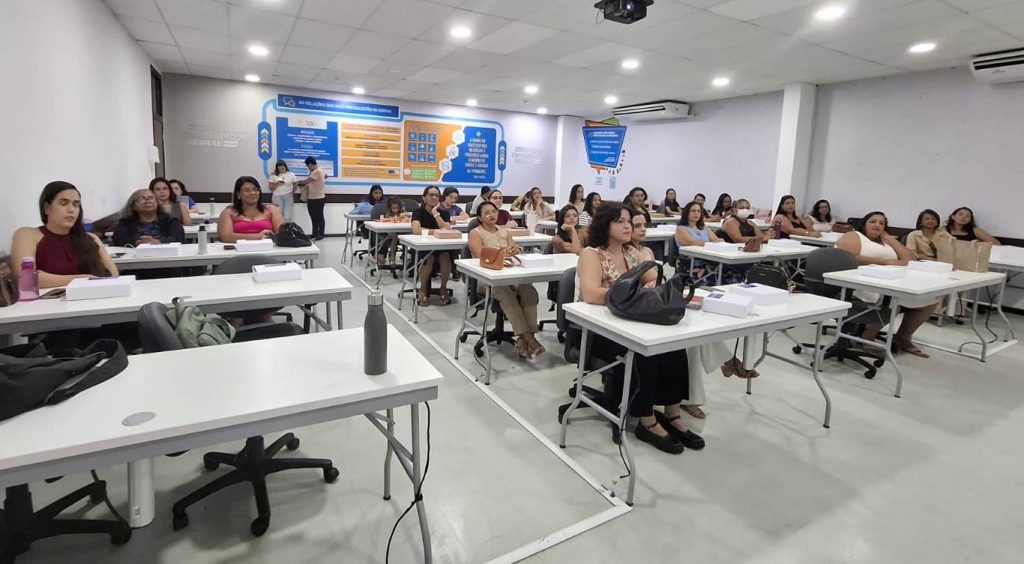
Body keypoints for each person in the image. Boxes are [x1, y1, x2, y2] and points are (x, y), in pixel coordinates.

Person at [577, 203, 703, 454]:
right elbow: (591, 294)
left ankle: (672, 413)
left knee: (674, 344)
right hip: (600, 330)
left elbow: (654, 282)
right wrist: (633, 297)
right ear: (605, 224)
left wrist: (654, 285)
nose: (627, 226)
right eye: (620, 221)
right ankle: (646, 420)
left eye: (628, 221)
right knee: (646, 349)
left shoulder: (633, 253)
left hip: (631, 320)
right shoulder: (592, 254)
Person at [627, 208, 745, 416]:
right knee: (686, 337)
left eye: (644, 225)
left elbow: (657, 283)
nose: (642, 229)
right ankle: (725, 363)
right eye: (636, 225)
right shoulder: (625, 253)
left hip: (651, 304)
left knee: (691, 330)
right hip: (635, 311)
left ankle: (696, 391)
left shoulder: (644, 251)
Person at [836, 211, 937, 358]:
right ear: (864, 223)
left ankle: (902, 337)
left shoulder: (886, 242)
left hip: (889, 280)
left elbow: (910, 259)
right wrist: (888, 262)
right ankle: (868, 336)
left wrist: (889, 238)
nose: (877, 225)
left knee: (929, 301)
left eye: (881, 223)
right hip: (860, 283)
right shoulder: (855, 236)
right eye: (873, 221)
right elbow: (850, 258)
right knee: (892, 298)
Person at [469, 201, 544, 359]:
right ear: (479, 217)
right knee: (505, 294)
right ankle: (530, 339)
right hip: (486, 279)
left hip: (509, 274)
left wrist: (515, 249)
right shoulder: (476, 233)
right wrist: (503, 252)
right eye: (487, 212)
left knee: (528, 290)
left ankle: (523, 340)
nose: (492, 215)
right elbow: (479, 256)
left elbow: (515, 249)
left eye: (494, 211)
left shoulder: (504, 232)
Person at [11, 181, 117, 288]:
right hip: (48, 303)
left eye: (76, 205)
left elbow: (113, 275)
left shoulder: (90, 238)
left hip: (95, 299)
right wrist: (83, 279)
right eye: (63, 203)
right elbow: (27, 278)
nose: (71, 210)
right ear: (46, 208)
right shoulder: (28, 235)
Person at [411, 185, 453, 306]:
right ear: (424, 198)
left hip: (440, 246)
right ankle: (423, 288)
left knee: (445, 256)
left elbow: (446, 228)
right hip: (422, 246)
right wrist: (434, 231)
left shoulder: (443, 212)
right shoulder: (418, 212)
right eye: (431, 195)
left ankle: (443, 288)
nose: (434, 197)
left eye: (436, 195)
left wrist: (435, 213)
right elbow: (416, 229)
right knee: (428, 258)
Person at [217, 176, 285, 243]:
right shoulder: (228, 212)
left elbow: (283, 234)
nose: (253, 193)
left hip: (269, 250)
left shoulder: (272, 209)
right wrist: (256, 236)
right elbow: (225, 237)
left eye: (255, 189)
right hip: (238, 251)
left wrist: (271, 236)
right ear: (238, 194)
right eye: (247, 190)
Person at [112, 189, 185, 246]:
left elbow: (178, 238)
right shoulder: (126, 222)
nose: (147, 201)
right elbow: (118, 238)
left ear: (157, 203)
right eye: (142, 199)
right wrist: (137, 242)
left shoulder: (170, 221)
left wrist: (158, 242)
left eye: (151, 198)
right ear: (133, 206)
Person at [296, 156, 327, 240]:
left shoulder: (316, 171)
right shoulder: (320, 170)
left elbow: (307, 182)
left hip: (318, 198)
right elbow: (325, 177)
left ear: (310, 164)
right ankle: (315, 234)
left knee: (319, 217)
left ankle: (320, 234)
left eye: (308, 166)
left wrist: (297, 182)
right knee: (314, 217)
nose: (308, 168)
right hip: (313, 197)